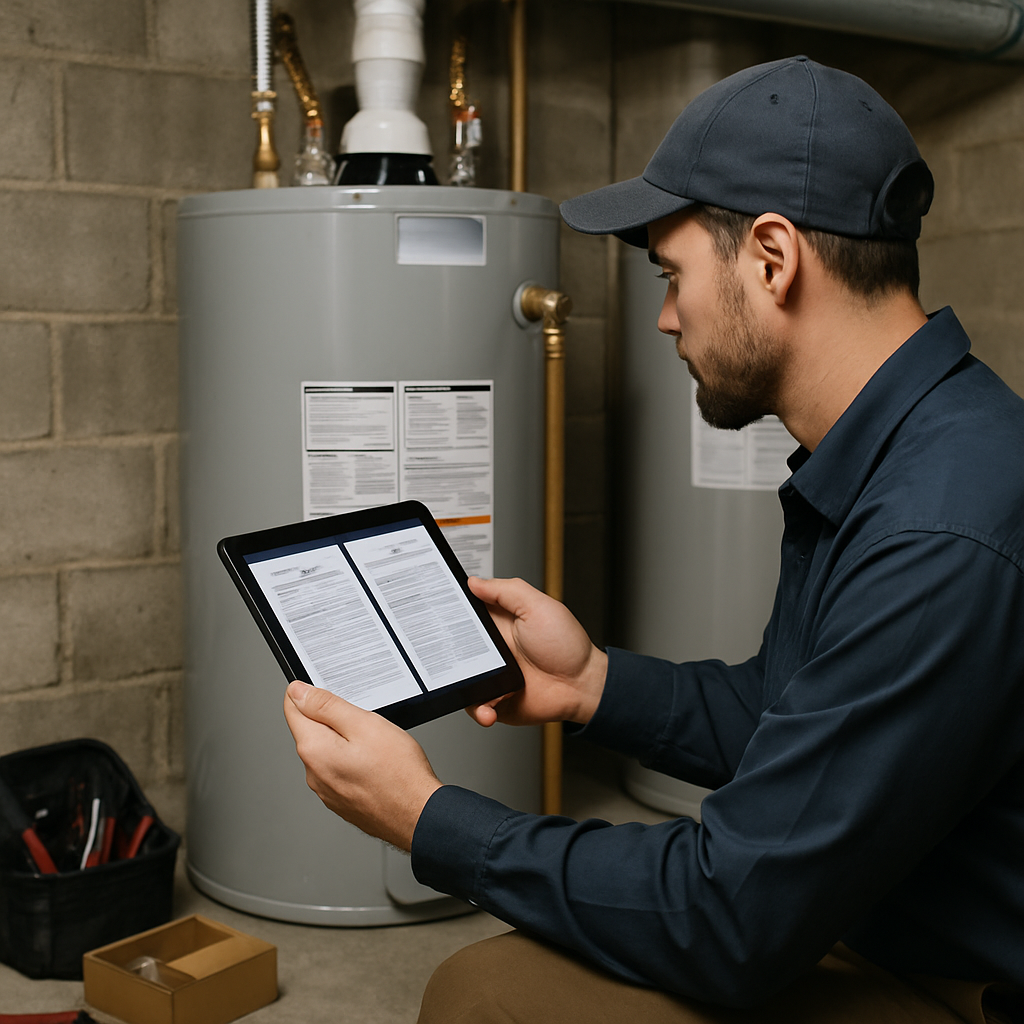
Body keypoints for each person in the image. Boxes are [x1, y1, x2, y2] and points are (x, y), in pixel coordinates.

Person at [282, 56, 1024, 1023]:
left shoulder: (940, 527)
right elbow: (789, 716)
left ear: (772, 256)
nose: (667, 317)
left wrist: (428, 822)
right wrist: (590, 683)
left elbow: (728, 913)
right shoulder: (909, 445)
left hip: (959, 980)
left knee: (486, 999)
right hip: (880, 902)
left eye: (673, 276)